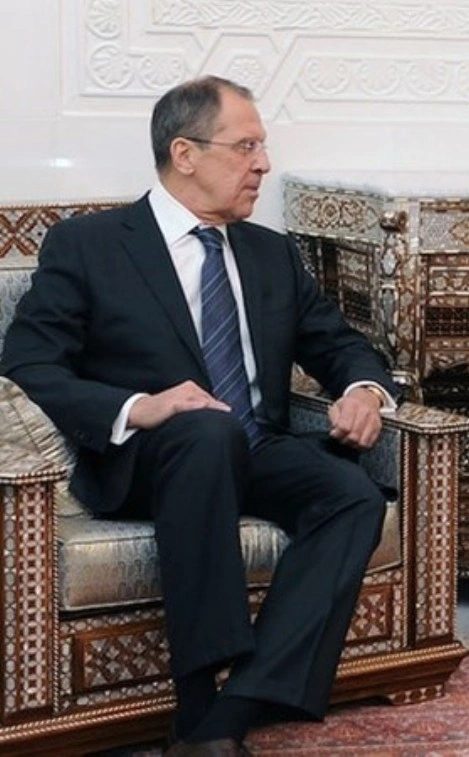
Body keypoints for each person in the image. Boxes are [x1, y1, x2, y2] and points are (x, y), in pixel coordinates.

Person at [1, 76, 400, 756]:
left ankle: (225, 713)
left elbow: (339, 345)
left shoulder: (269, 252)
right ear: (184, 153)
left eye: (262, 148)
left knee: (353, 495)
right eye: (246, 147)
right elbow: (29, 362)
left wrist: (364, 390)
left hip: (255, 446)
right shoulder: (91, 245)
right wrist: (140, 406)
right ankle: (195, 692)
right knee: (205, 431)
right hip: (151, 459)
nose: (263, 164)